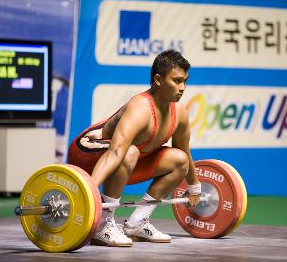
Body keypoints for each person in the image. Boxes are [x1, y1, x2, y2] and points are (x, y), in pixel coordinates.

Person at [67, 50, 201, 247]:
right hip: (87, 154)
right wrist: (88, 193)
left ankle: (137, 223)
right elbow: (115, 152)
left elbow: (185, 153)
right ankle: (103, 224)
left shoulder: (179, 113)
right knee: (129, 152)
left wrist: (194, 188)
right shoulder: (140, 109)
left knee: (179, 160)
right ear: (157, 80)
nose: (182, 88)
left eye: (185, 81)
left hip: (125, 159)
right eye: (177, 81)